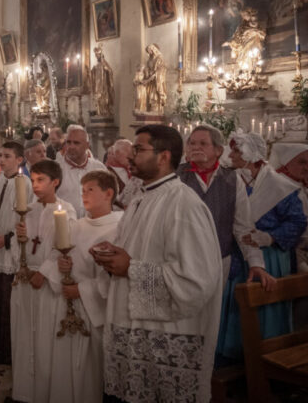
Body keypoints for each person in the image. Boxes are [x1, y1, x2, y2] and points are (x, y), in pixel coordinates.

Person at [92, 125, 222, 403]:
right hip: (130, 334)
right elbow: (136, 253)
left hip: (163, 339)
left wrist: (131, 268)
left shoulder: (184, 204)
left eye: (139, 149)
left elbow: (197, 281)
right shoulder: (142, 198)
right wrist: (113, 257)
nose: (131, 156)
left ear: (163, 156)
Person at [178, 125, 274, 365]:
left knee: (209, 322)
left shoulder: (233, 179)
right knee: (180, 321)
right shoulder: (176, 176)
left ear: (218, 150)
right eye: (192, 143)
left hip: (218, 260)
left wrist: (256, 263)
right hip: (179, 260)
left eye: (203, 143)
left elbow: (242, 226)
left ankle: (204, 377)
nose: (195, 148)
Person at [39, 170, 122, 403]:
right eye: (82, 190)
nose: (83, 195)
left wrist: (82, 290)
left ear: (108, 194)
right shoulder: (76, 226)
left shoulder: (119, 227)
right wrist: (62, 267)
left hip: (93, 310)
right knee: (65, 363)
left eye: (90, 190)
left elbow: (115, 275)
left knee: (89, 367)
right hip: (67, 304)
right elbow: (59, 255)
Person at [229, 132, 305, 348]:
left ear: (250, 153)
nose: (231, 155)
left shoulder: (280, 185)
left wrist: (270, 237)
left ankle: (268, 349)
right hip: (238, 253)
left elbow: (298, 221)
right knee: (235, 306)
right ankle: (235, 354)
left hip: (270, 257)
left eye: (237, 150)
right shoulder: (231, 178)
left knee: (264, 307)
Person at [10, 159, 76, 403]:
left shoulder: (66, 210)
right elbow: (17, 250)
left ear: (55, 182)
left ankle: (45, 393)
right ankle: (24, 391)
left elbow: (63, 247)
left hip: (46, 283)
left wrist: (46, 272)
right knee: (24, 335)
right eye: (33, 180)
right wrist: (20, 241)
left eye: (41, 180)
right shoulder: (26, 209)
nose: (35, 185)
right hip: (26, 281)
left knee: (44, 337)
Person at [0, 141, 31, 366]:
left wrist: (7, 238)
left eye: (7, 156)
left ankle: (7, 352)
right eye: (0, 155)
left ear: (19, 160)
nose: (1, 159)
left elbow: (26, 218)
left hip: (12, 250)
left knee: (8, 303)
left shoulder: (26, 184)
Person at [57, 125, 107, 218]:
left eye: (76, 143)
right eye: (68, 142)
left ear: (87, 145)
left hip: (93, 224)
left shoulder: (98, 168)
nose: (71, 146)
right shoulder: (56, 169)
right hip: (64, 225)